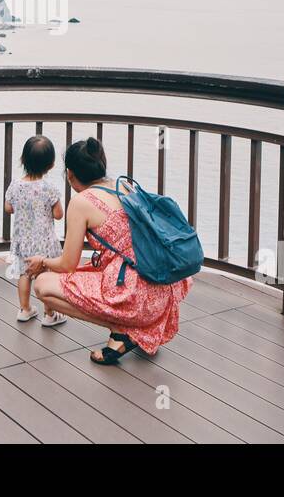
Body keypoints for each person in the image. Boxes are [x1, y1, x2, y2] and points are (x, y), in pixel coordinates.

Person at [25, 137, 192, 364]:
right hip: (162, 291)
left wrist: (43, 261)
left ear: (70, 174)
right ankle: (134, 329)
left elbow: (67, 265)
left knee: (43, 285)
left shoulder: (81, 202)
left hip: (134, 294)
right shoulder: (124, 185)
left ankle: (124, 330)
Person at [4, 135, 67, 326]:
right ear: (51, 164)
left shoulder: (15, 185)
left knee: (25, 274)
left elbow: (8, 208)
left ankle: (25, 309)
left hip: (23, 240)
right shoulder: (49, 188)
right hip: (45, 242)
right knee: (46, 276)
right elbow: (58, 214)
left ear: (23, 160)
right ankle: (50, 314)